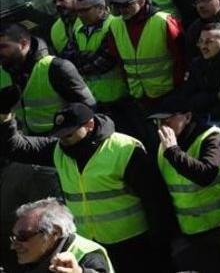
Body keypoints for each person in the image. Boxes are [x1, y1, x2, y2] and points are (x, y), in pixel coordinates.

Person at [0, 103, 174, 273]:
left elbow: (156, 200)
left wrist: (160, 243)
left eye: (68, 135)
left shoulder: (124, 149)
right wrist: (6, 118)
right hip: (91, 246)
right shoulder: (59, 149)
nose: (63, 140)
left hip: (134, 245)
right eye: (59, 135)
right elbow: (15, 147)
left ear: (89, 125)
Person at [152, 103, 220, 272]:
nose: (163, 127)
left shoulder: (212, 138)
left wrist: (173, 151)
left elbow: (206, 175)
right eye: (158, 123)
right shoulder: (164, 148)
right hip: (197, 232)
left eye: (168, 121)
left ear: (188, 117)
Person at [163, 23, 220, 142]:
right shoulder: (197, 63)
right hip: (200, 125)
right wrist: (216, 96)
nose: (203, 46)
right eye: (201, 41)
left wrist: (205, 105)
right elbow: (187, 97)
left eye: (209, 42)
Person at [0, 23, 95, 135]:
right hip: (22, 141)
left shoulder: (56, 68)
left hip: (59, 140)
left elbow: (87, 109)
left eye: (3, 47)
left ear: (23, 43)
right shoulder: (3, 71)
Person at [108, 0, 184, 104]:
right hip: (138, 93)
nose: (122, 9)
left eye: (127, 4)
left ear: (142, 0)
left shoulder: (162, 21)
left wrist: (178, 84)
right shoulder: (115, 25)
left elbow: (181, 56)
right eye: (119, 5)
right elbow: (118, 60)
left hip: (167, 92)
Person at [11, 198, 113, 273]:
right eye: (14, 237)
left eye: (23, 236)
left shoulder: (88, 255)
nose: (13, 246)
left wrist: (78, 272)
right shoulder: (35, 253)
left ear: (55, 233)